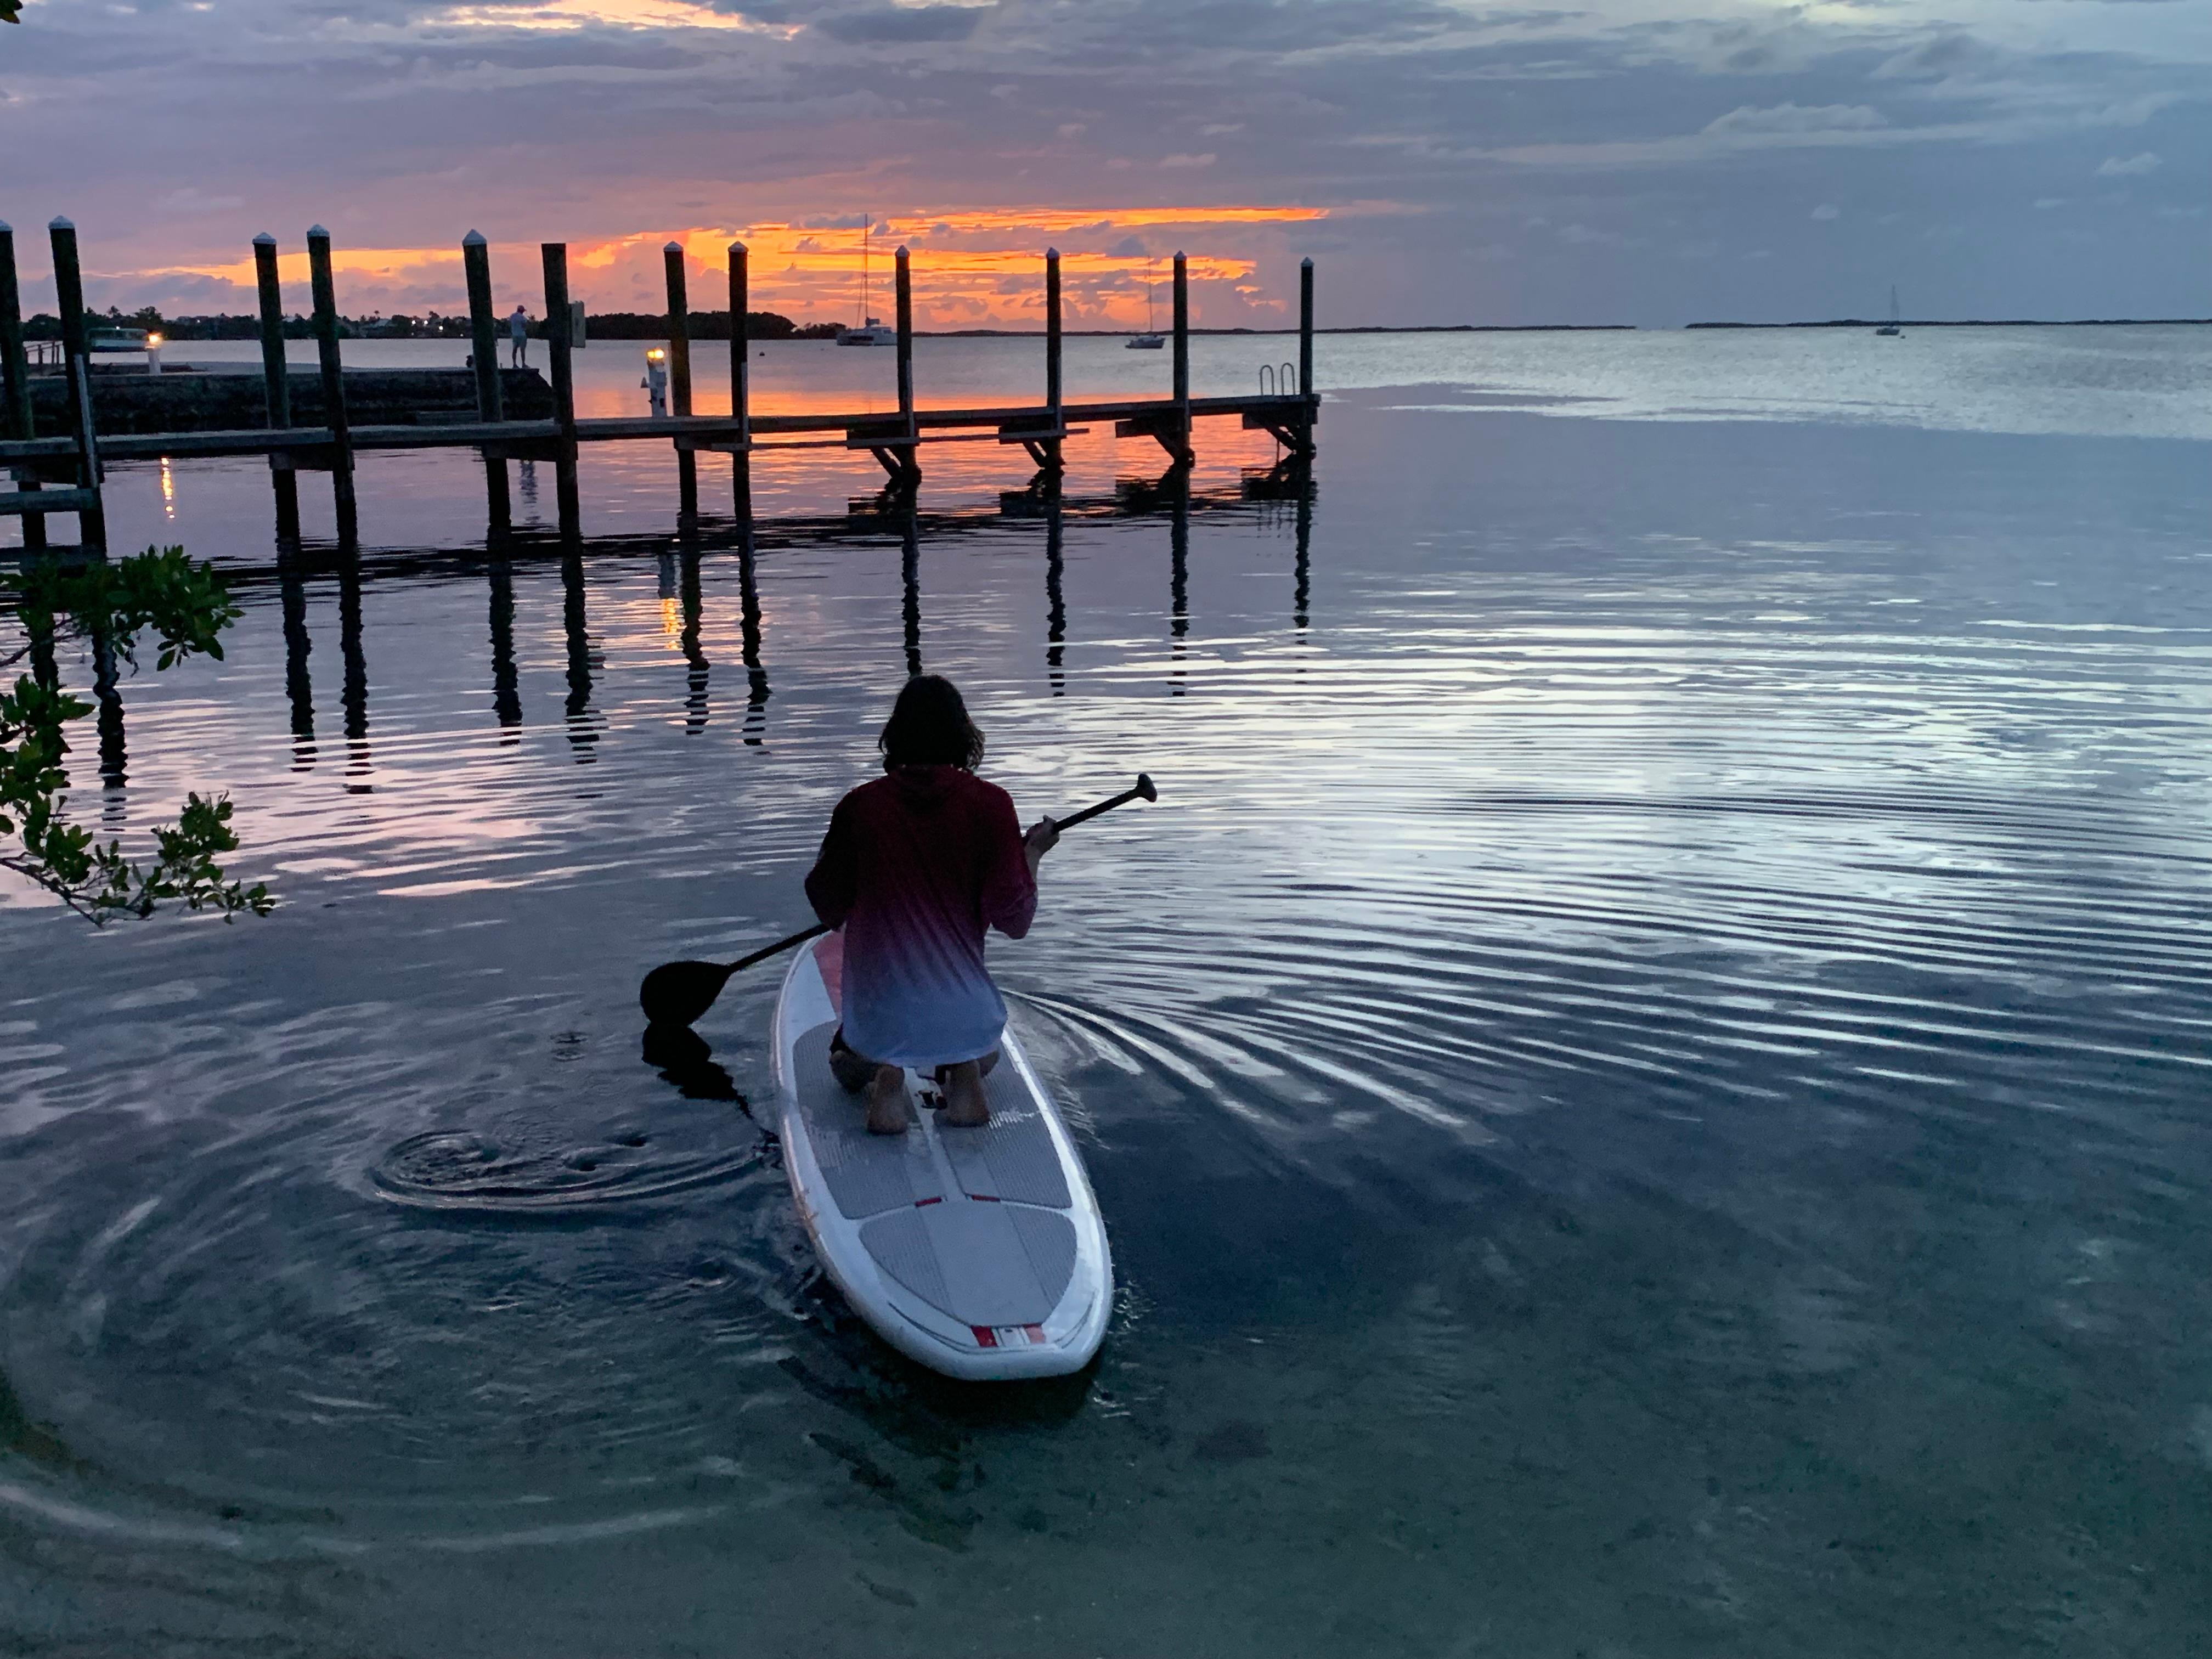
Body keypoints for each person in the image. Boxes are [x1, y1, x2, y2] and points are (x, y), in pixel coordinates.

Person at [805, 676, 1058, 1135]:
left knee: (845, 1067)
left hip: (880, 1022)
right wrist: (1032, 854)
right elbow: (1015, 919)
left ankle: (887, 1077)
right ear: (964, 737)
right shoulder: (993, 806)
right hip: (965, 1019)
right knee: (985, 1053)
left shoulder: (859, 808)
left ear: (895, 735)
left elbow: (828, 907)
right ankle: (963, 1076)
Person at [508, 304, 529, 369]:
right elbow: (525, 326)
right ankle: (523, 364)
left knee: (514, 350)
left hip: (514, 335)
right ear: (522, 311)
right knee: (522, 350)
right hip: (522, 335)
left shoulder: (512, 316)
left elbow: (510, 323)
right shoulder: (522, 317)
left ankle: (514, 364)